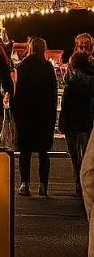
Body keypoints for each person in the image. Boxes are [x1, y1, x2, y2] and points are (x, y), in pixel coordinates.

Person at [13, 37, 58, 197]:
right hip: (44, 114)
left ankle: (25, 183)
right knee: (43, 153)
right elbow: (53, 93)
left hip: (26, 114)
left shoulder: (23, 66)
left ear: (30, 48)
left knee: (25, 152)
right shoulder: (48, 67)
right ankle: (43, 185)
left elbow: (18, 92)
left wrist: (16, 113)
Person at [60, 34, 94, 197]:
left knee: (83, 155)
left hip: (83, 118)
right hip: (78, 118)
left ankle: (81, 184)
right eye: (81, 44)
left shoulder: (80, 68)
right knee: (76, 155)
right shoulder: (72, 66)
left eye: (86, 44)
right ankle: (79, 184)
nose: (83, 47)